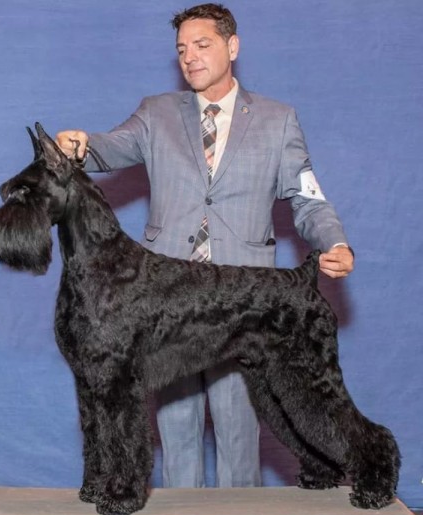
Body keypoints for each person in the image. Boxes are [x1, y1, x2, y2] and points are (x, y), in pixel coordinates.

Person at [56, 3, 354, 489]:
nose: (189, 57)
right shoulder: (156, 112)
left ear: (232, 47)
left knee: (240, 435)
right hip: (166, 305)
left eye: (202, 45)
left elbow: (307, 196)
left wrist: (333, 241)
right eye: (181, 50)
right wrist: (82, 145)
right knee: (176, 438)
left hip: (242, 305)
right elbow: (112, 146)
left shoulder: (279, 120)